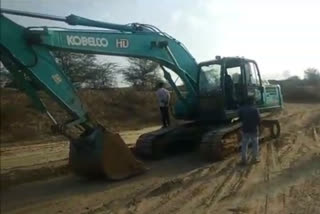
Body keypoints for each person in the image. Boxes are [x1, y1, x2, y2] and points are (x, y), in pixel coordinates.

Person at [238, 96, 261, 165]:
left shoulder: (241, 109)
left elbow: (240, 118)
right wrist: (258, 126)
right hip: (253, 129)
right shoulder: (255, 109)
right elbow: (258, 120)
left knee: (244, 145)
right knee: (255, 145)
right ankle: (254, 159)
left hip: (245, 129)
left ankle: (244, 160)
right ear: (252, 101)